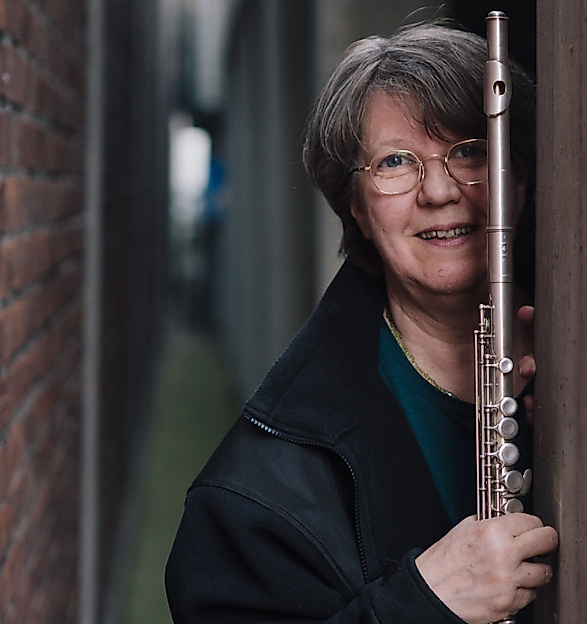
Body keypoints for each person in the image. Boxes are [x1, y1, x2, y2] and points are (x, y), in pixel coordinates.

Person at [165, 22, 557, 624]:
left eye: (470, 151)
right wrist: (417, 606)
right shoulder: (253, 498)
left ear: (521, 177)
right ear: (356, 205)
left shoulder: (584, 371)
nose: (438, 191)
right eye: (396, 162)